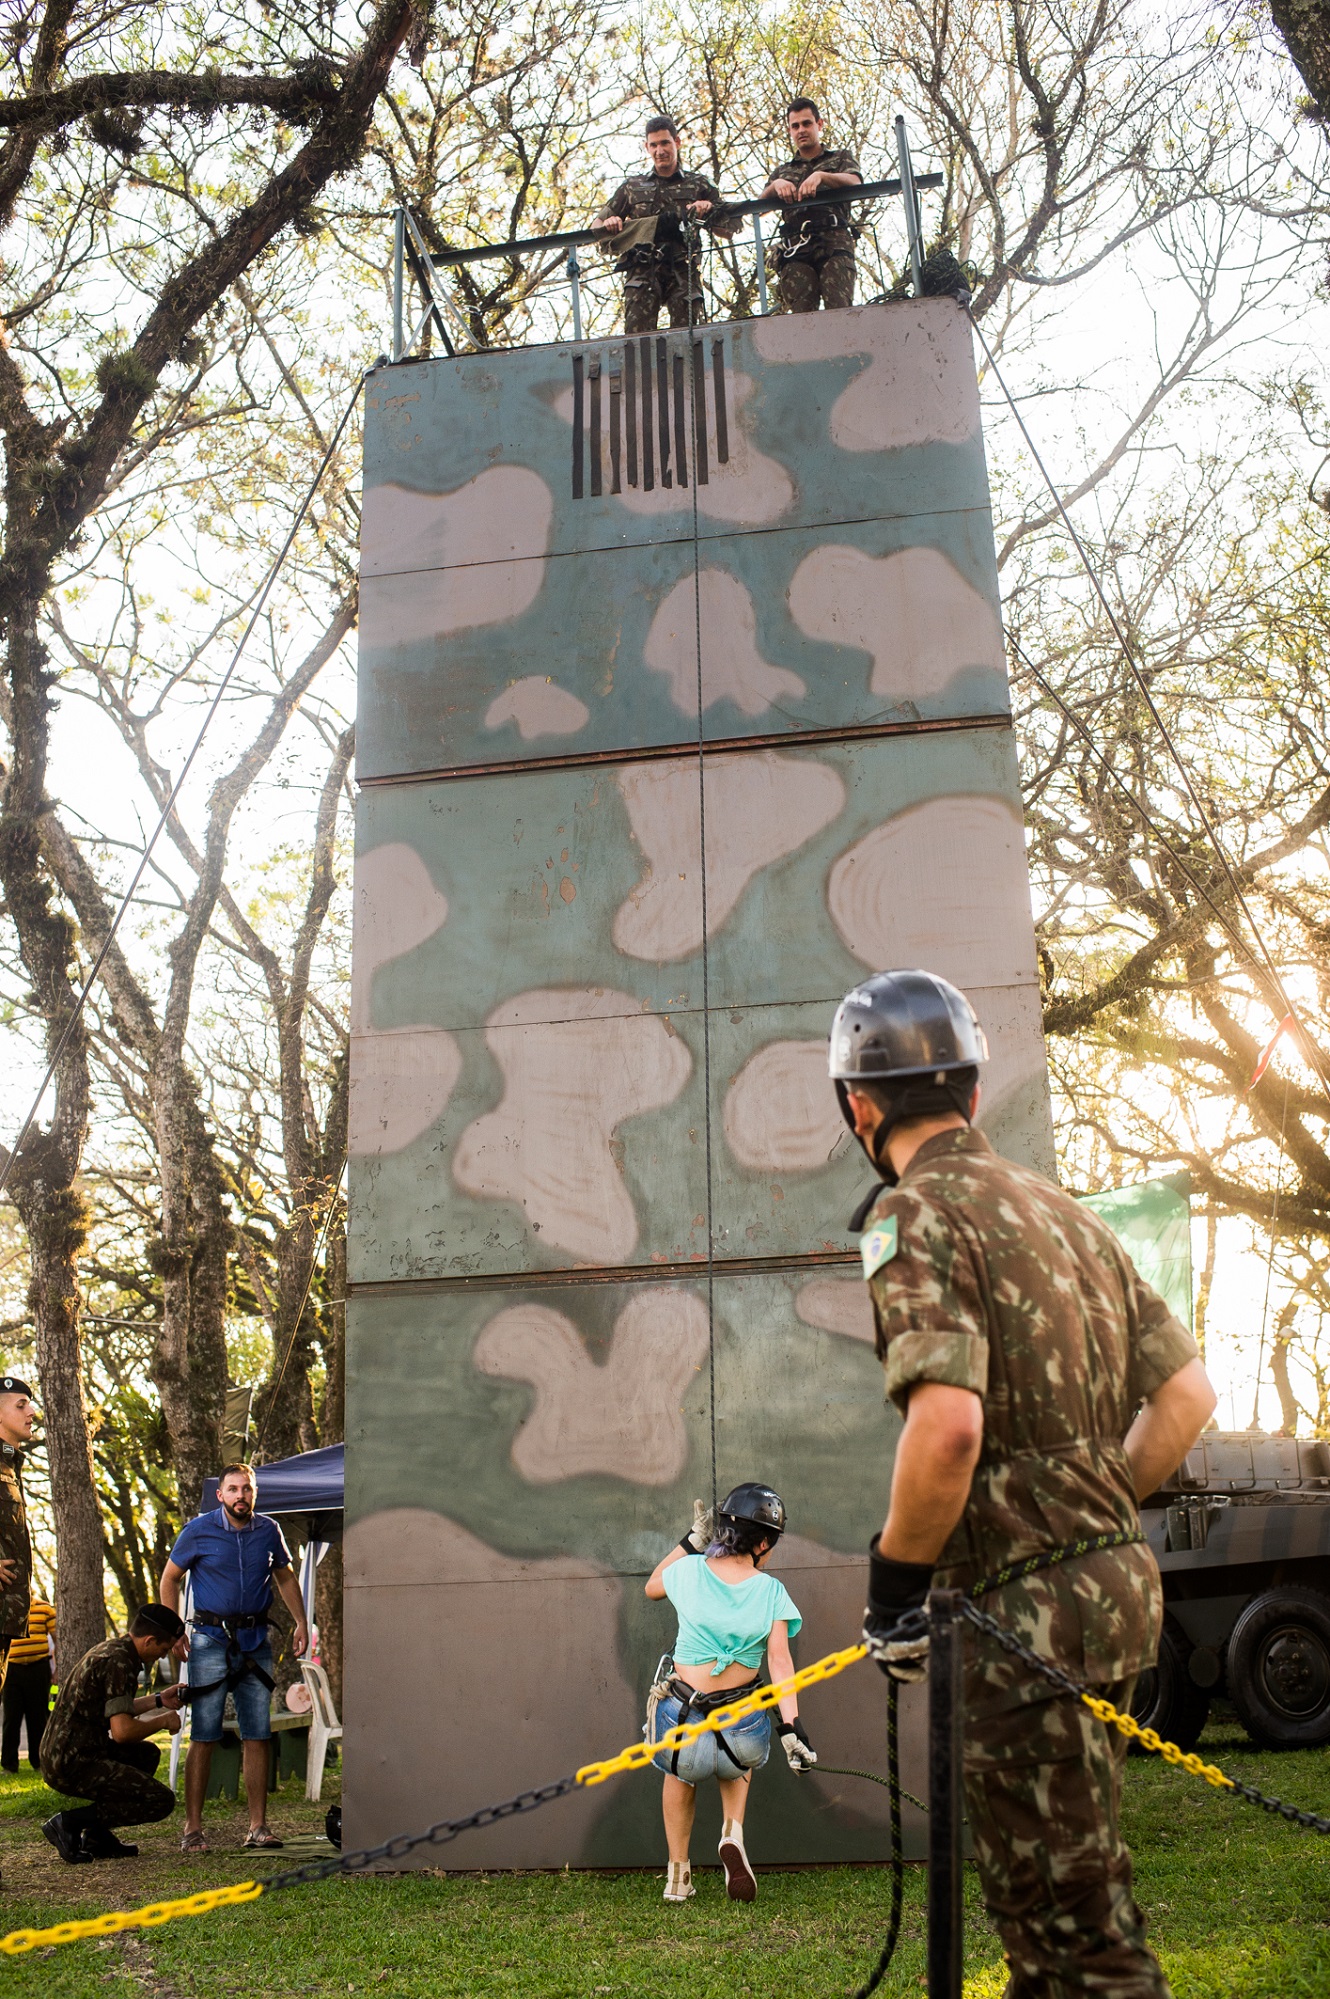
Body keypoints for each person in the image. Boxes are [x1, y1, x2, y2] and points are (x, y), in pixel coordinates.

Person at [829, 968, 1218, 1997]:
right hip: (1116, 1597)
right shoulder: (1070, 1215)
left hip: (1018, 1621)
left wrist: (892, 1590)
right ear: (967, 1088)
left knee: (1078, 1949)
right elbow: (1186, 1395)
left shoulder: (908, 1216)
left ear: (858, 1106)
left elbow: (948, 1426)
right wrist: (1089, 1516)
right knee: (1063, 1903)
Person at [644, 1483, 815, 1906]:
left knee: (679, 1775)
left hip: (682, 1725)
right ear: (760, 1543)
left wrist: (691, 1542)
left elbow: (651, 1587)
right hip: (743, 1735)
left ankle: (678, 1875)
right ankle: (732, 1830)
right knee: (738, 1753)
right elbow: (779, 1664)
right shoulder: (772, 1592)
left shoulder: (687, 1572)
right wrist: (792, 1727)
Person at [160, 1461, 309, 1853]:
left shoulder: (269, 1531)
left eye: (247, 1489)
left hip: (255, 1642)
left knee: (258, 1734)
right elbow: (169, 1578)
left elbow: (285, 1576)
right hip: (208, 1642)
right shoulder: (198, 1530)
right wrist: (175, 1630)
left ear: (254, 1494)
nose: (241, 1495)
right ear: (220, 1494)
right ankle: (193, 1829)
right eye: (233, 1489)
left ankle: (258, 1828)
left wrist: (300, 1622)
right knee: (205, 1734)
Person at [40, 1602, 186, 1862]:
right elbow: (122, 1732)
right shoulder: (120, 1662)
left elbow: (117, 1709)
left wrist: (160, 1699)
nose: (163, 1657)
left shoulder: (116, 1651)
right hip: (72, 1761)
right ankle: (68, 1823)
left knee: (146, 1756)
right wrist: (163, 1721)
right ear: (150, 1640)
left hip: (69, 1751)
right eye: (163, 1650)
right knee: (160, 1800)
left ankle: (97, 1837)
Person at [593, 115, 736, 335]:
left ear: (677, 142)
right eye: (654, 145)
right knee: (637, 341)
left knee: (688, 339)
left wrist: (709, 209)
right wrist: (611, 222)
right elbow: (596, 226)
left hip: (683, 269)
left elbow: (728, 230)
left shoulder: (699, 183)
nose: (660, 151)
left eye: (665, 143)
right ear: (646, 147)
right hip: (642, 270)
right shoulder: (633, 186)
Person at [759, 98, 862, 314]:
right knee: (802, 320)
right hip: (796, 248)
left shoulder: (840, 158)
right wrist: (775, 185)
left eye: (807, 123)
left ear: (819, 124)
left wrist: (822, 177)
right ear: (789, 130)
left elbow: (855, 182)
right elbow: (759, 208)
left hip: (834, 242)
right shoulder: (782, 171)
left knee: (840, 312)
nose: (801, 130)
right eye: (795, 126)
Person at [1, 1589, 55, 1771]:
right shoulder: (5, 1608)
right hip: (11, 1671)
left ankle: (39, 1762)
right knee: (11, 1718)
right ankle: (9, 1765)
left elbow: (58, 1638)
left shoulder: (44, 1608)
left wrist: (57, 1669)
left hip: (38, 1668)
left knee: (38, 1718)